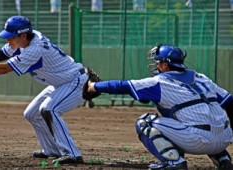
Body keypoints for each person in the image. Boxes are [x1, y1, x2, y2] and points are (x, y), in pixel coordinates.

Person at [0, 15, 97, 164]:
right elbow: (2, 54)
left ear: (23, 35)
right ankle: (51, 149)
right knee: (31, 113)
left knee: (49, 109)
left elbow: (4, 69)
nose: (8, 40)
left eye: (11, 37)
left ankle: (72, 154)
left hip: (75, 82)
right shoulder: (26, 40)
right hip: (61, 82)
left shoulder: (34, 50)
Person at [87, 44, 233, 170]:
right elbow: (230, 101)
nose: (155, 65)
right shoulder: (201, 77)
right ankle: (223, 160)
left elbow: (122, 86)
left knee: (145, 123)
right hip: (224, 139)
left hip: (198, 141)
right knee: (208, 119)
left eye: (157, 62)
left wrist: (94, 86)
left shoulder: (160, 81)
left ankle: (174, 162)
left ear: (165, 65)